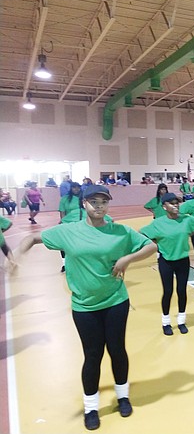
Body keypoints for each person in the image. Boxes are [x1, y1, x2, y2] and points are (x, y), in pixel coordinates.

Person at [17, 185, 156, 431]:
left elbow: (150, 246)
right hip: (84, 305)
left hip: (115, 300)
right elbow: (34, 237)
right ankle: (91, 407)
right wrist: (16, 255)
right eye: (94, 201)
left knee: (117, 350)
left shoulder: (120, 231)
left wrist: (126, 258)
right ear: (84, 204)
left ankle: (123, 396)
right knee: (93, 355)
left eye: (103, 201)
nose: (99, 206)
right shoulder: (68, 232)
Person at [140, 193, 194, 335]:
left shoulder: (187, 220)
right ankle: (166, 322)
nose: (175, 205)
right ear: (164, 207)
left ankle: (181, 320)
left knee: (181, 290)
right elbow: (142, 234)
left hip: (182, 260)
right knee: (168, 291)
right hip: (166, 261)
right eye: (172, 203)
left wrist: (184, 236)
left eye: (177, 203)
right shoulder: (158, 223)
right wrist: (156, 244)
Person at [58, 182, 83, 272]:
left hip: (81, 224)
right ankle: (65, 263)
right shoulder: (65, 199)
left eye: (78, 188)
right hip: (68, 224)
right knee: (63, 245)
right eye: (74, 188)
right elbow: (62, 211)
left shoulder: (83, 198)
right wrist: (63, 223)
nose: (76, 189)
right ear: (71, 189)